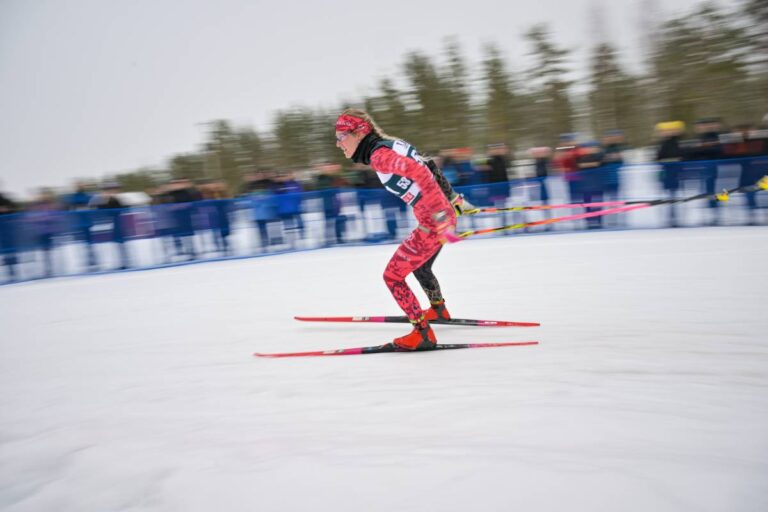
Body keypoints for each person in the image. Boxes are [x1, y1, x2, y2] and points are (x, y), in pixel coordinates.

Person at [334, 108, 464, 351]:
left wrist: (440, 215)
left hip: (433, 223)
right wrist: (452, 199)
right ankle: (439, 310)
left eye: (341, 136)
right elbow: (430, 165)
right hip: (440, 217)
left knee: (392, 277)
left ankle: (422, 333)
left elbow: (419, 172)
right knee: (420, 267)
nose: (338, 144)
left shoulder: (379, 156)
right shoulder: (390, 144)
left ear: (359, 132)